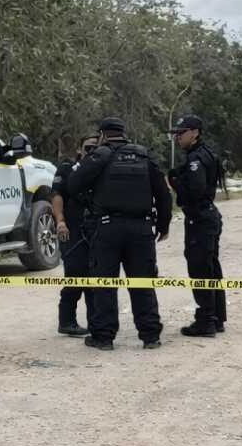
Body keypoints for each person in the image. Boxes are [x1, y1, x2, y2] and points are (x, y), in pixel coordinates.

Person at [69, 117, 172, 351]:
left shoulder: (100, 156)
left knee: (105, 283)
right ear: (123, 134)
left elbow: (74, 184)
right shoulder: (144, 156)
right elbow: (164, 194)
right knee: (143, 282)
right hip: (142, 229)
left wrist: (90, 202)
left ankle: (103, 337)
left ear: (103, 134)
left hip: (107, 228)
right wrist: (163, 226)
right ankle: (150, 336)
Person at [168, 114, 227, 336]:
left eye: (181, 133)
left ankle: (206, 321)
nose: (178, 138)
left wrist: (175, 183)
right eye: (176, 134)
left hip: (200, 218)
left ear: (195, 133)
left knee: (200, 269)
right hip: (206, 217)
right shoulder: (204, 154)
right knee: (211, 268)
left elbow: (195, 191)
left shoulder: (195, 159)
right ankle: (216, 317)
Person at [52, 133, 99, 337]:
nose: (92, 152)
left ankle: (96, 322)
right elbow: (56, 195)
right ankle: (67, 321)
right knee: (75, 274)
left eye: (96, 148)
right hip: (71, 229)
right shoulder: (67, 168)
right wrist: (60, 221)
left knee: (95, 277)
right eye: (88, 148)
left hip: (96, 230)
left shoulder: (102, 168)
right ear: (80, 150)